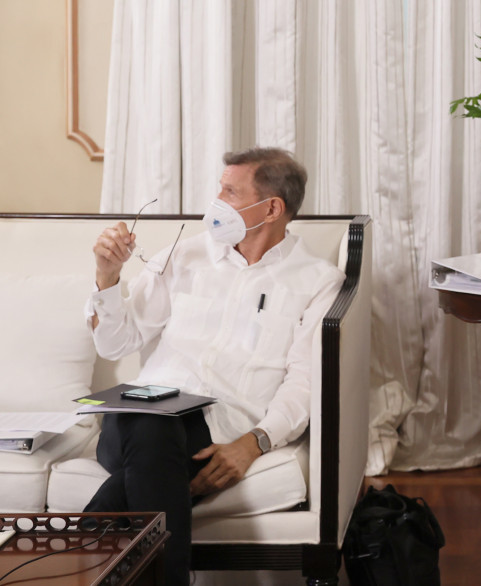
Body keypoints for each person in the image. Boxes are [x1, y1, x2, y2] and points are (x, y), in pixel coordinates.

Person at [84, 148, 345, 586]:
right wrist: (107, 276)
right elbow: (116, 343)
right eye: (219, 189)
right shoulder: (184, 255)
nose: (216, 201)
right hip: (134, 416)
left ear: (272, 209)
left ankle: (83, 561)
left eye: (230, 192)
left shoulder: (317, 281)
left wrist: (256, 441)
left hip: (211, 429)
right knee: (151, 423)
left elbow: (305, 381)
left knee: (138, 467)